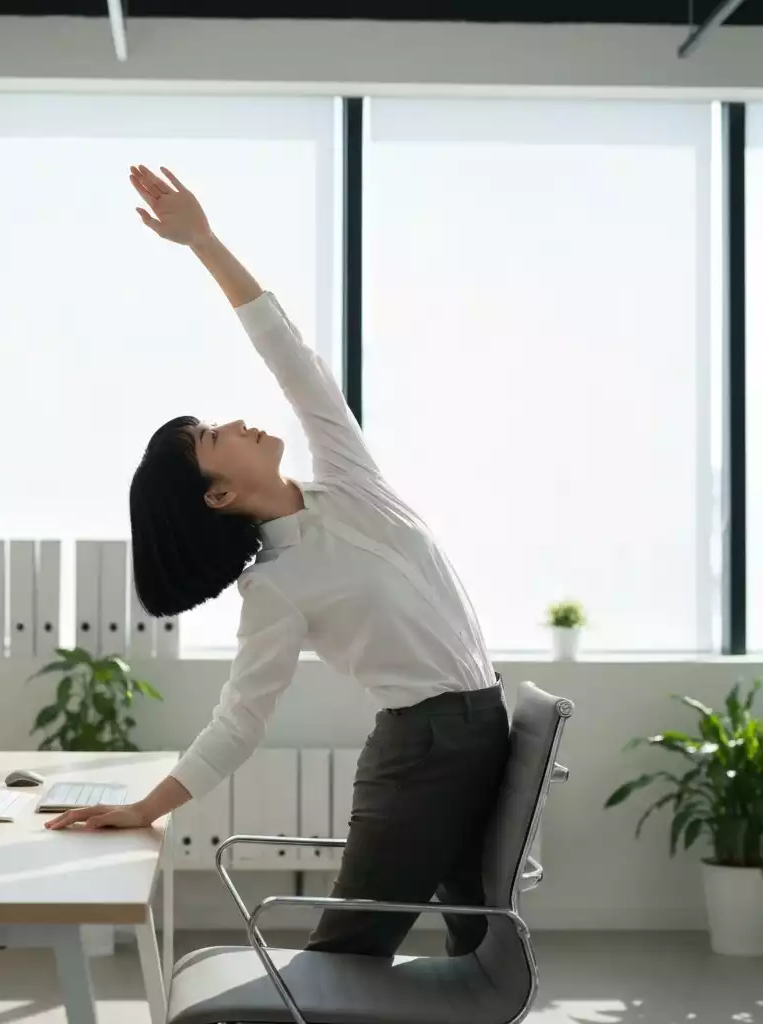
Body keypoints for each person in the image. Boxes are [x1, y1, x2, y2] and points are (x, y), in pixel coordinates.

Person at [46, 164, 510, 959]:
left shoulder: (349, 480)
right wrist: (149, 806)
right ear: (219, 496)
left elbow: (288, 352)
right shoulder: (275, 590)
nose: (233, 422)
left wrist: (203, 241)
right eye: (212, 440)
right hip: (421, 749)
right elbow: (241, 718)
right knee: (347, 959)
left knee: (481, 945)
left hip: (479, 727)